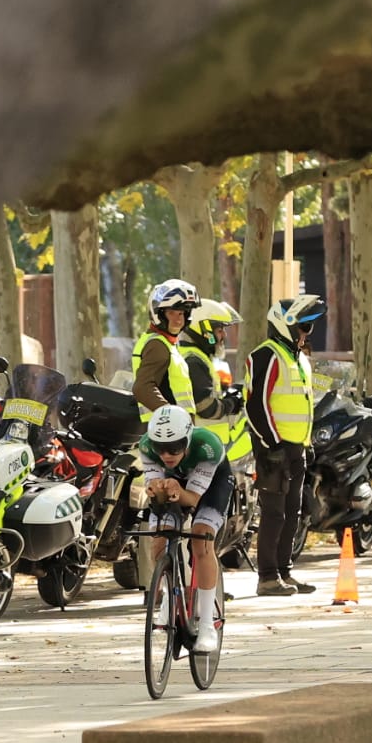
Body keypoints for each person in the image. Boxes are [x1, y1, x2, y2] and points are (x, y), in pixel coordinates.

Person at [245, 294, 325, 596]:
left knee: (295, 511)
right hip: (272, 449)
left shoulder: (299, 358)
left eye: (309, 328)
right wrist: (271, 444)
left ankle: (284, 571)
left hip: (297, 447)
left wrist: (307, 442)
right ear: (286, 325)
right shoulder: (265, 355)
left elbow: (302, 404)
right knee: (274, 513)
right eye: (303, 327)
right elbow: (256, 405)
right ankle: (266, 577)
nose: (306, 334)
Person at [137, 405, 228, 653]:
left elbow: (193, 500)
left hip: (210, 488)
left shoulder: (208, 446)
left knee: (201, 541)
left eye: (175, 447)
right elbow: (155, 491)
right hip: (174, 484)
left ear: (187, 438)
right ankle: (169, 594)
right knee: (160, 541)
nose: (166, 454)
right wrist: (156, 490)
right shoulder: (146, 445)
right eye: (160, 448)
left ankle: (208, 624)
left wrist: (176, 488)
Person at [181, 299, 250, 460]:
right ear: (205, 330)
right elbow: (206, 407)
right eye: (219, 330)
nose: (224, 335)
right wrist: (232, 403)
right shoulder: (194, 361)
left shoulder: (193, 355)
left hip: (202, 444)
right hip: (203, 447)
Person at [131, 279, 200, 423]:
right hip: (165, 431)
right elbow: (142, 388)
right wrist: (172, 417)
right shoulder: (157, 344)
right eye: (172, 313)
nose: (178, 320)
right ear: (159, 314)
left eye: (181, 314)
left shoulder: (166, 343)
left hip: (167, 429)